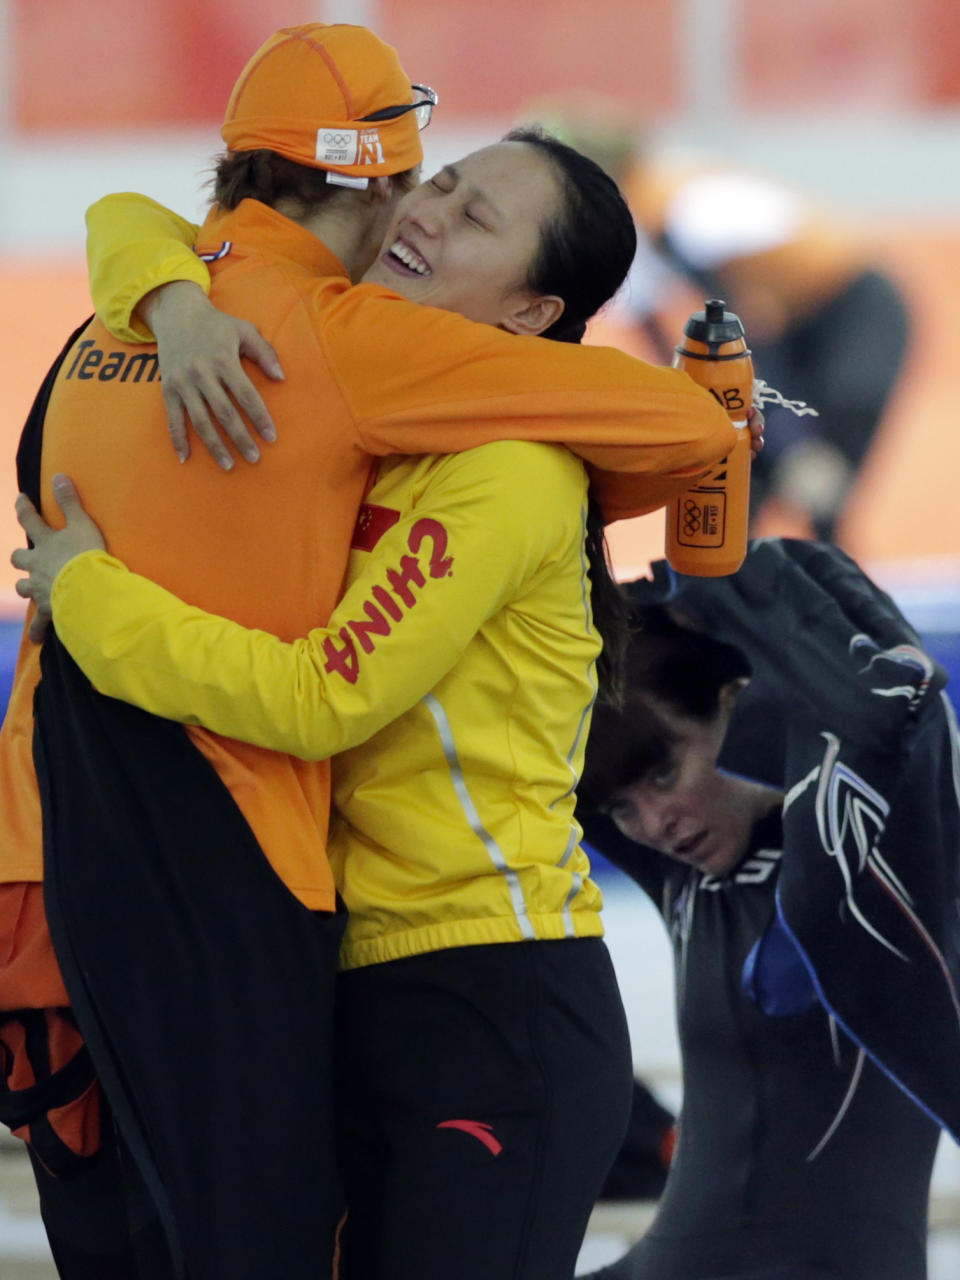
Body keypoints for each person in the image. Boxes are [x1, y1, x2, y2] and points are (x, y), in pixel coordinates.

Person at [0, 23, 738, 1280]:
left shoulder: (489, 455)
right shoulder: (366, 395)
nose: (429, 211)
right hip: (352, 967)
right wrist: (171, 289)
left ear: (530, 311)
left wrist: (90, 593)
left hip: (484, 981)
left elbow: (323, 693)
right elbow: (137, 215)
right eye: (437, 181)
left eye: (470, 212)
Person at [572, 538, 957, 1278]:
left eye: (664, 771)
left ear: (736, 704)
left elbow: (894, 702)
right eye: (623, 807)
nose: (655, 823)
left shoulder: (882, 865)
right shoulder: (686, 874)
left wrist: (725, 576)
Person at [524, 94, 911, 542]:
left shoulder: (678, 212)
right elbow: (669, 338)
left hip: (856, 307)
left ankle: (831, 584)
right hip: (790, 319)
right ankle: (732, 588)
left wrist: (795, 446)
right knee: (749, 471)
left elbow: (736, 339)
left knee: (823, 475)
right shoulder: (638, 224)